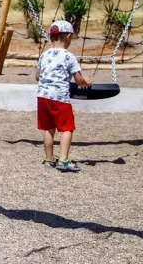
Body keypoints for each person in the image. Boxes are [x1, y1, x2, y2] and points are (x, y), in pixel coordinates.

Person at [35, 20, 92, 172]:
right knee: (67, 128)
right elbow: (78, 80)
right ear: (67, 37)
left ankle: (48, 159)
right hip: (60, 97)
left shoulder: (44, 55)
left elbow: (37, 76)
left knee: (48, 128)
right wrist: (85, 82)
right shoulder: (68, 56)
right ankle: (64, 160)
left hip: (42, 96)